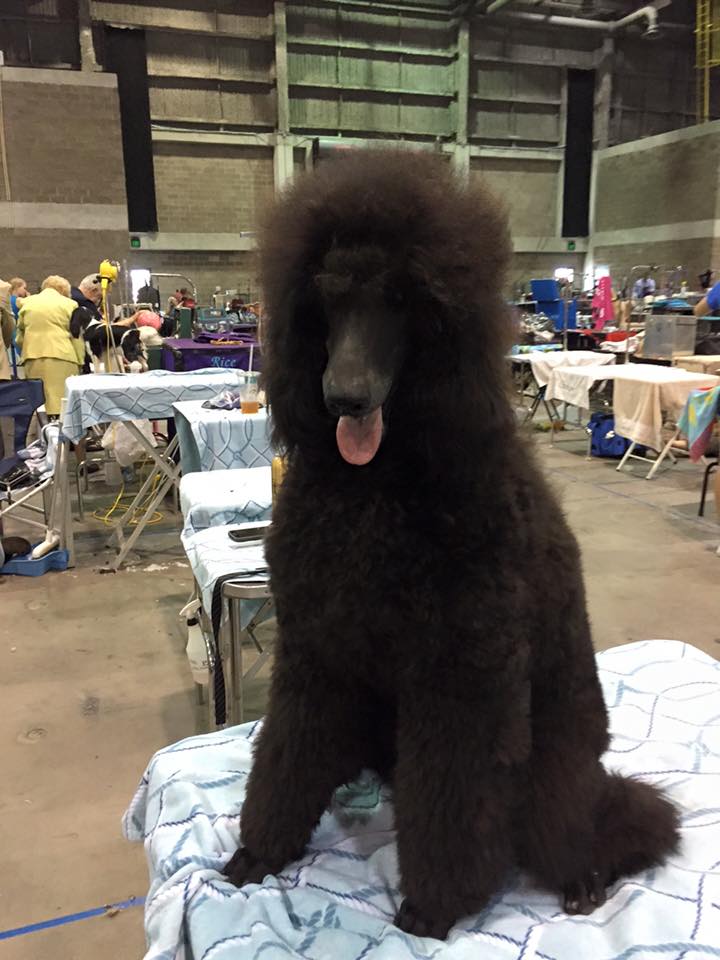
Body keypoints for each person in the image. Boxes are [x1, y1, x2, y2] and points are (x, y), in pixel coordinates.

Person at [16, 276, 87, 417]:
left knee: (38, 404)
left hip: (33, 357)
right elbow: (76, 336)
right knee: (63, 403)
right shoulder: (70, 304)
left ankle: (40, 434)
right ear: (63, 290)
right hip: (64, 357)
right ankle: (62, 435)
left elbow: (19, 338)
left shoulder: (27, 304)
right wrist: (80, 361)